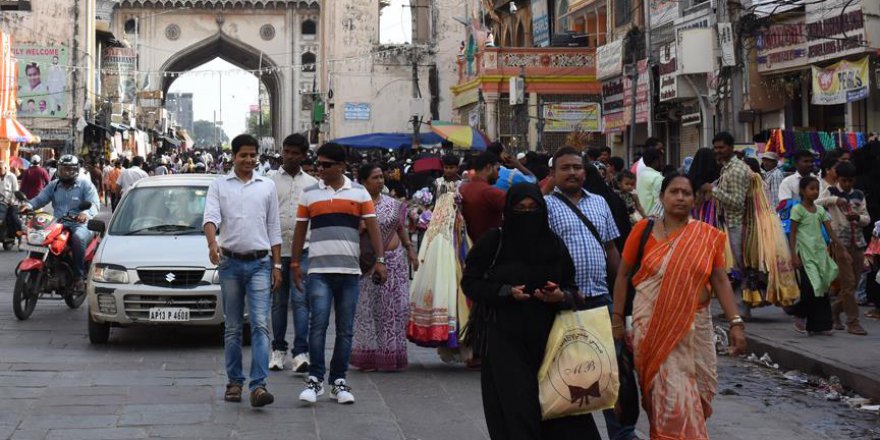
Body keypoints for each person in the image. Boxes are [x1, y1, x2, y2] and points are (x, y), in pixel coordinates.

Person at [611, 173, 747, 440]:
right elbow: (623, 276)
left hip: (696, 329)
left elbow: (720, 279)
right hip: (653, 327)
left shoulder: (706, 236)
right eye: (674, 192)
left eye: (687, 193)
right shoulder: (643, 231)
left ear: (695, 199)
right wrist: (617, 319)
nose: (681, 198)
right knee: (671, 400)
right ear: (662, 196)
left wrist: (735, 322)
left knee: (693, 399)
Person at [461, 183, 602, 440]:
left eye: (533, 208)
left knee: (561, 411)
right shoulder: (494, 242)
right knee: (518, 410)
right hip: (505, 339)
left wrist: (560, 296)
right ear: (509, 211)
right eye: (520, 209)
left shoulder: (554, 245)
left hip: (551, 339)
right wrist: (504, 292)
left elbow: (571, 288)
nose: (527, 215)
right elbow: (470, 282)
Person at [292, 142, 387, 405]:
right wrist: (295, 264)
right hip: (319, 271)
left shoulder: (359, 193)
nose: (320, 168)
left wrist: (380, 261)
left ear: (341, 166)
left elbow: (374, 228)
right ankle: (315, 379)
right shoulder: (309, 193)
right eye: (318, 163)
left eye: (326, 164)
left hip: (349, 272)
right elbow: (300, 230)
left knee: (345, 330)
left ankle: (338, 381)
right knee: (318, 326)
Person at [544, 147, 629, 440]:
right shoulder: (546, 206)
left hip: (601, 299)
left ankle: (622, 434)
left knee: (610, 371)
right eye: (565, 168)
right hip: (565, 303)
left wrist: (624, 289)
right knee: (571, 373)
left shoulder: (600, 202)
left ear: (585, 171)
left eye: (577, 167)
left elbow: (611, 248)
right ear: (553, 174)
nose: (572, 172)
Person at [203, 134, 283, 408]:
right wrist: (212, 244)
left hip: (261, 263)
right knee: (233, 327)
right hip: (230, 264)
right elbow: (210, 218)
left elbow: (273, 227)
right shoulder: (219, 185)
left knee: (260, 324)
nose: (249, 160)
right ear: (233, 157)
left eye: (253, 155)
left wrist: (277, 265)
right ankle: (234, 382)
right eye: (243, 155)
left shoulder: (267, 186)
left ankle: (258, 386)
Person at [351, 164, 418, 372]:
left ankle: (391, 355)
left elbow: (400, 227)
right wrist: (358, 227)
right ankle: (368, 358)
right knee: (369, 309)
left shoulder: (393, 204)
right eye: (375, 177)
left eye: (381, 177)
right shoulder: (355, 205)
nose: (380, 181)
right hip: (368, 264)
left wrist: (410, 248)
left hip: (395, 262)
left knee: (394, 309)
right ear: (363, 181)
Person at [268, 134, 318, 373]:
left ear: (303, 155)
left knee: (300, 301)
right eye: (286, 151)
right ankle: (278, 350)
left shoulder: (312, 184)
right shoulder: (269, 182)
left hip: (303, 250)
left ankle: (300, 352)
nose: (289, 156)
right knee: (278, 302)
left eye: (295, 153)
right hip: (276, 252)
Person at [23, 155, 100, 292]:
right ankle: (41, 269)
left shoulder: (85, 185)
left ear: (76, 170)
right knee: (40, 236)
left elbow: (94, 204)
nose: (66, 172)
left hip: (80, 223)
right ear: (59, 169)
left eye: (70, 169)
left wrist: (85, 213)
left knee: (78, 238)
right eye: (63, 169)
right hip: (58, 223)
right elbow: (40, 199)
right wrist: (28, 205)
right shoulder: (54, 185)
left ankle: (78, 277)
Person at [701, 132, 753, 318]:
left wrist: (713, 190)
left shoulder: (736, 170)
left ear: (731, 147)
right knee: (737, 268)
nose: (718, 151)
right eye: (715, 148)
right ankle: (736, 308)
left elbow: (737, 202)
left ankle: (742, 308)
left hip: (738, 223)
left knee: (741, 266)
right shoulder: (726, 167)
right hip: (730, 222)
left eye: (721, 147)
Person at [820, 161, 869, 335]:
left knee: (853, 283)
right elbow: (817, 202)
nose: (847, 184)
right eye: (844, 180)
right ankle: (853, 322)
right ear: (837, 178)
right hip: (840, 243)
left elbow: (866, 218)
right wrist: (834, 200)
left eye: (850, 180)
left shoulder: (859, 194)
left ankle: (834, 310)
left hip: (858, 243)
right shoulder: (831, 191)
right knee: (848, 283)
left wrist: (858, 218)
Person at [788, 176, 842, 335]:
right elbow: (793, 233)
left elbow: (830, 232)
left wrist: (842, 247)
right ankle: (798, 313)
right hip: (805, 254)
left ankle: (820, 325)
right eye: (811, 188)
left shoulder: (820, 210)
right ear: (802, 191)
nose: (815, 192)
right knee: (812, 287)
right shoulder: (797, 210)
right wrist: (793, 255)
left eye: (817, 189)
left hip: (820, 253)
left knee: (823, 288)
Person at [460, 152, 506, 243]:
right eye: (497, 169)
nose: (498, 175)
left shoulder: (463, 189)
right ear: (489, 168)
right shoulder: (493, 193)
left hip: (468, 246)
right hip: (489, 246)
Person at [635, 148, 663, 215]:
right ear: (656, 161)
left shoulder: (641, 175)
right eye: (662, 160)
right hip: (651, 218)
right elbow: (660, 203)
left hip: (640, 216)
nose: (662, 163)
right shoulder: (657, 178)